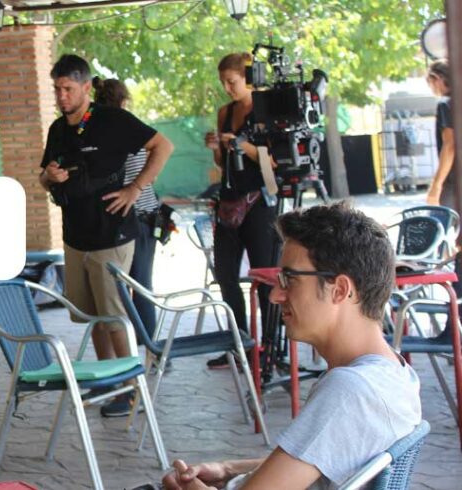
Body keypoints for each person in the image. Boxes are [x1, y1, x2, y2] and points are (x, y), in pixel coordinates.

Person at [161, 202, 421, 490]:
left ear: (340, 290)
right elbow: (321, 458)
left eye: (290, 279)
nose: (275, 295)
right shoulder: (394, 372)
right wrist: (228, 468)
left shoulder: (350, 390)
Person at [39, 54, 173, 417]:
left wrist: (134, 189)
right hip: (75, 236)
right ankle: (107, 380)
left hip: (112, 235)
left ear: (86, 87)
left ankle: (133, 389)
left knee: (114, 317)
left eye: (68, 88)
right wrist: (50, 177)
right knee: (93, 316)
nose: (61, 95)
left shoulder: (113, 120)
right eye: (57, 89)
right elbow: (42, 178)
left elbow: (163, 147)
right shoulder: (58, 130)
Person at [203, 52, 277, 370]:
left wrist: (241, 146)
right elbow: (222, 164)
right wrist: (218, 147)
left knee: (264, 274)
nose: (227, 88)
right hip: (230, 199)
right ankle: (239, 343)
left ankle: (270, 347)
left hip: (260, 200)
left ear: (247, 77)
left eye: (231, 82)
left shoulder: (267, 109)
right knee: (225, 275)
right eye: (223, 83)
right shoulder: (225, 112)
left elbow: (274, 162)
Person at [93, 77, 162, 339]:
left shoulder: (97, 132)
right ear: (124, 102)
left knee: (116, 290)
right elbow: (151, 176)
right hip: (141, 217)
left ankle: (130, 349)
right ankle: (150, 349)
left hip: (114, 220)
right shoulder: (134, 131)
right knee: (141, 284)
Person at [426, 60, 455, 209]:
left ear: (436, 78)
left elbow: (450, 145)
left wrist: (436, 185)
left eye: (429, 83)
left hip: (453, 180)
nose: (431, 88)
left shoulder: (445, 103)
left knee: (444, 221)